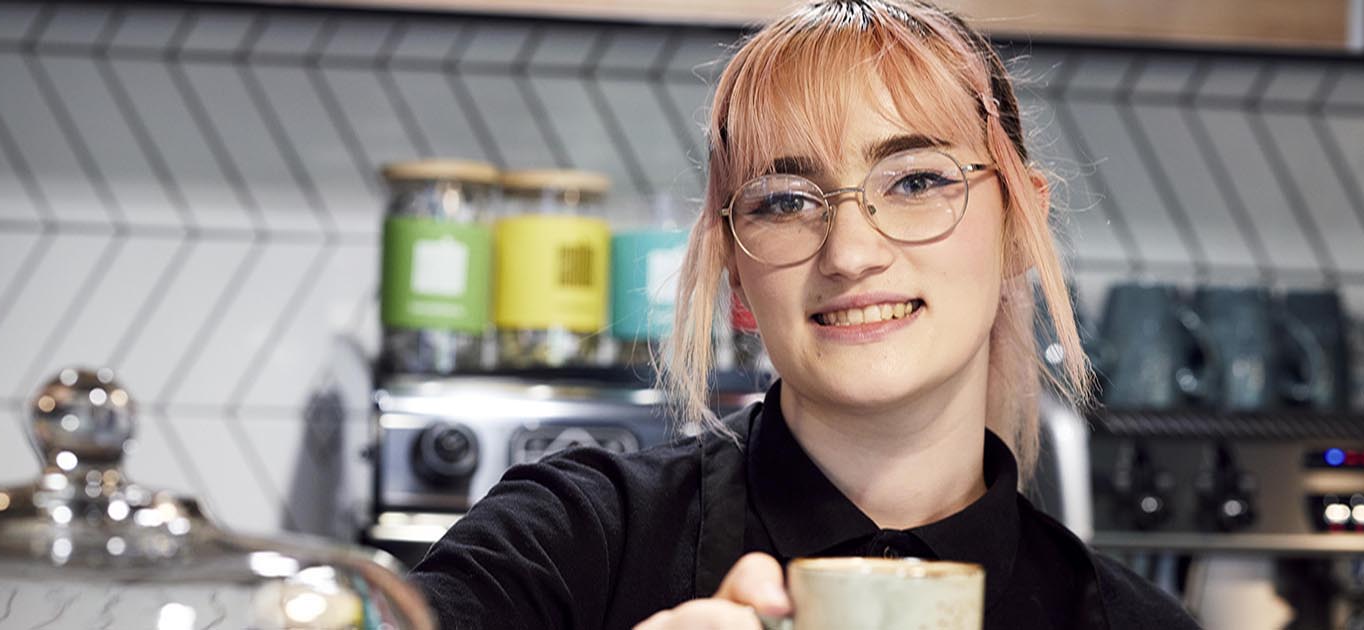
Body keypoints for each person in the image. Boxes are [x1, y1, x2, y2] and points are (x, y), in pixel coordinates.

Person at [410, 1, 1200, 628]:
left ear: (1020, 223)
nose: (850, 253)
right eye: (785, 201)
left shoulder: (1129, 619)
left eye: (917, 182)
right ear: (736, 273)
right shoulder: (575, 537)